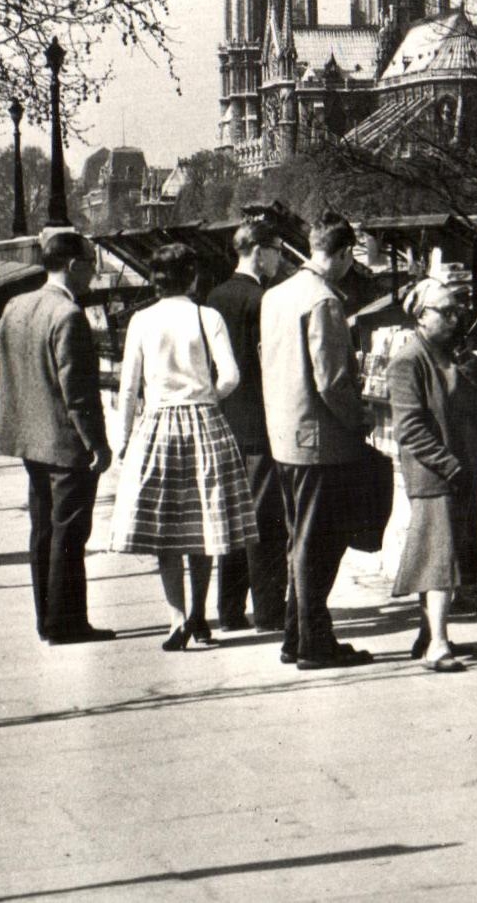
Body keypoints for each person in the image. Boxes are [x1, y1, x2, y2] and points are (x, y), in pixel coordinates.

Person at [108, 243, 258, 650]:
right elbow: (231, 375)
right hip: (204, 423)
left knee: (166, 529)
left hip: (157, 425)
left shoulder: (140, 320)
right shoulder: (206, 316)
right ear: (192, 277)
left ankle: (176, 618)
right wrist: (209, 395)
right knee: (204, 523)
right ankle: (198, 616)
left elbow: (128, 388)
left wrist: (122, 440)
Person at [0, 228, 114, 645]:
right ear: (74, 267)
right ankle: (67, 623)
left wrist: (21, 390)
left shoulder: (17, 305)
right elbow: (77, 393)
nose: (94, 273)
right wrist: (97, 444)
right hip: (65, 443)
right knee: (70, 532)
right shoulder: (68, 316)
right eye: (92, 264)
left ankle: (47, 620)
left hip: (28, 438)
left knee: (43, 530)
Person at [259, 209, 373, 672]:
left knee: (299, 540)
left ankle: (296, 636)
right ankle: (314, 642)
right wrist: (360, 418)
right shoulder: (323, 301)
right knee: (318, 544)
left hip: (284, 436)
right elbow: (331, 382)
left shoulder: (277, 295)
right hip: (320, 443)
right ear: (344, 252)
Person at [387, 277, 477, 673]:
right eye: (445, 312)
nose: (454, 318)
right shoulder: (408, 360)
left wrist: (469, 360)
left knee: (449, 554)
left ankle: (426, 634)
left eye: (457, 311)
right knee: (439, 558)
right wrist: (449, 465)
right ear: (420, 316)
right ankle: (437, 644)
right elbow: (410, 427)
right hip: (436, 474)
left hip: (462, 469)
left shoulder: (452, 353)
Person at [208, 215, 289, 633]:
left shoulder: (213, 298)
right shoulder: (264, 301)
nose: (279, 259)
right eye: (277, 250)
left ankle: (229, 610)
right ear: (259, 251)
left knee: (230, 519)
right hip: (260, 422)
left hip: (223, 422)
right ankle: (270, 610)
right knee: (265, 519)